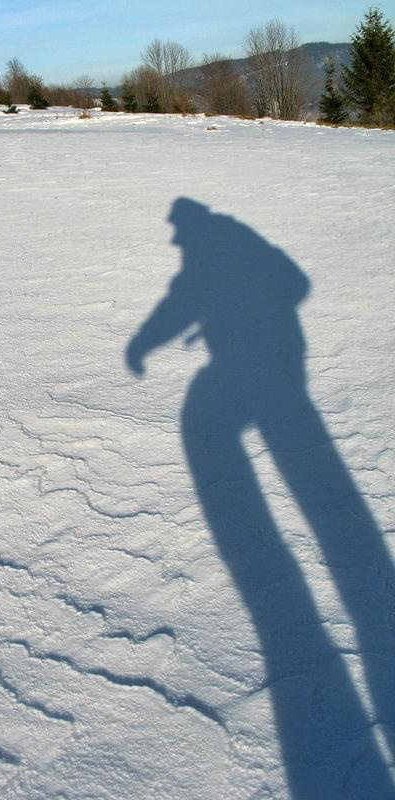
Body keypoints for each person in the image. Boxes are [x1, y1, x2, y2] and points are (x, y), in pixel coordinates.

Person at [126, 198, 395, 798]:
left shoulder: (220, 253)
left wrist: (252, 313)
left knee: (310, 476)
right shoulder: (217, 253)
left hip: (269, 371)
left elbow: (294, 284)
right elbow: (198, 298)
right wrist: (154, 338)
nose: (176, 240)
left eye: (178, 231)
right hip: (275, 368)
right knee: (315, 476)